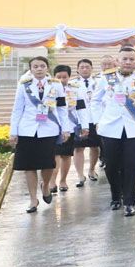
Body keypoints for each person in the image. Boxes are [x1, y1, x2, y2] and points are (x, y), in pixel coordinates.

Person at [91, 46, 135, 216]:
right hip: (110, 128)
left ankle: (129, 201)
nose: (128, 62)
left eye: (131, 59)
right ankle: (115, 196)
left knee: (132, 166)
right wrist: (98, 120)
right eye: (124, 59)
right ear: (118, 61)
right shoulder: (106, 78)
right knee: (111, 165)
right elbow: (95, 101)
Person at [9, 56, 73, 213]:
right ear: (30, 69)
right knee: (28, 166)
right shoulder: (24, 86)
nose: (38, 69)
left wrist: (65, 129)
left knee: (48, 163)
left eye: (42, 66)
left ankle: (45, 185)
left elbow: (62, 109)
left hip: (48, 129)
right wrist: (13, 131)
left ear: (47, 68)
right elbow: (17, 109)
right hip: (27, 129)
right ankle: (33, 199)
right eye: (35, 66)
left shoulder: (56, 85)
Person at [49, 65, 89, 194]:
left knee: (66, 155)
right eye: (58, 77)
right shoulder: (48, 88)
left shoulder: (75, 89)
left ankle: (63, 180)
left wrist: (84, 125)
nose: (61, 79)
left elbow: (81, 108)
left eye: (64, 77)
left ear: (69, 77)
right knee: (54, 155)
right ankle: (52, 181)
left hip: (70, 127)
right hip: (53, 127)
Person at [72, 58, 100, 186]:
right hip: (80, 120)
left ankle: (92, 169)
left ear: (91, 68)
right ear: (77, 69)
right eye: (82, 67)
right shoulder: (72, 84)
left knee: (95, 146)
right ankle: (79, 175)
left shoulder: (99, 82)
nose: (84, 69)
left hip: (95, 119)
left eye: (87, 67)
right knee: (79, 148)